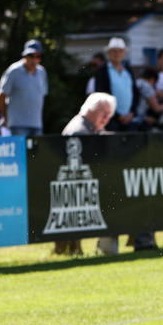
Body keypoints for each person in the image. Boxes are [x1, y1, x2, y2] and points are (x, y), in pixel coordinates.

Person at [56, 93, 117, 256]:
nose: (107, 117)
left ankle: (107, 248)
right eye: (103, 113)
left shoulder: (94, 128)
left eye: (109, 114)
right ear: (92, 110)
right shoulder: (79, 130)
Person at [0, 39, 48, 137]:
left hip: (37, 125)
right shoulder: (13, 71)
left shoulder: (42, 72)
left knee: (37, 153)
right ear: (25, 55)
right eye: (31, 55)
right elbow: (1, 96)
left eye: (38, 56)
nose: (34, 59)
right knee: (20, 152)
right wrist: (5, 117)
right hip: (17, 125)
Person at [94, 37, 139, 132]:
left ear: (124, 53)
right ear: (108, 53)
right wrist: (117, 115)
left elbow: (135, 92)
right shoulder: (102, 71)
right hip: (110, 120)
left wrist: (132, 113)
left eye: (120, 51)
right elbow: (101, 96)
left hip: (129, 119)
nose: (117, 54)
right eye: (114, 51)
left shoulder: (128, 70)